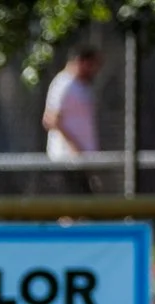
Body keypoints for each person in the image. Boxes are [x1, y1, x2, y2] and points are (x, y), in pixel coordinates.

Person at [42, 45, 103, 195]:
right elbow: (51, 119)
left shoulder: (82, 86)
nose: (95, 70)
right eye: (92, 65)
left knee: (86, 206)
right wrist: (74, 148)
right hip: (67, 159)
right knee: (73, 209)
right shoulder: (64, 84)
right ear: (81, 61)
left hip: (83, 160)